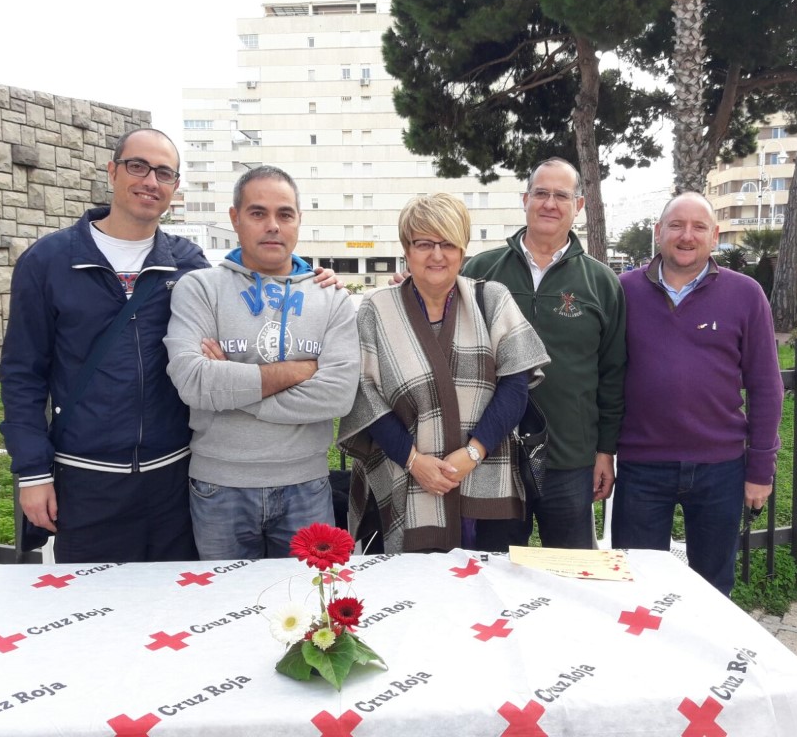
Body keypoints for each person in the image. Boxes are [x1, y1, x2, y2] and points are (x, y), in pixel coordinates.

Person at [0, 128, 206, 563]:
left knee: (174, 615)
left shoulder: (189, 263)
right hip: (85, 482)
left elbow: (252, 287)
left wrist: (310, 276)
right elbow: (23, 375)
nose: (150, 180)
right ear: (113, 172)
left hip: (175, 480)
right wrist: (33, 472)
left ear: (174, 187)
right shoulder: (48, 261)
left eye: (164, 173)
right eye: (138, 166)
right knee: (95, 615)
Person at [164, 165, 359, 560]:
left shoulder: (332, 298)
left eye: (284, 214)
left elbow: (338, 396)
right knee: (226, 611)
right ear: (235, 218)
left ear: (299, 221)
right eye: (258, 213)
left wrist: (229, 389)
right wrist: (301, 370)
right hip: (219, 487)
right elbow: (192, 382)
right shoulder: (200, 289)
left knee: (306, 608)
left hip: (306, 484)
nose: (273, 225)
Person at [338, 193, 549, 554]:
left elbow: (515, 386)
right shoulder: (376, 309)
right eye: (424, 244)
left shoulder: (492, 300)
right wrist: (414, 461)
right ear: (407, 249)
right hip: (405, 477)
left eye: (448, 244)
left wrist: (472, 453)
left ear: (463, 249)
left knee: (486, 595)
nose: (437, 255)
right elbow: (366, 395)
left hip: (486, 477)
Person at [611, 192, 783, 596]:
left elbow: (766, 386)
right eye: (676, 225)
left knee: (712, 589)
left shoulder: (746, 294)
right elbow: (605, 378)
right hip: (642, 467)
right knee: (636, 585)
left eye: (698, 227)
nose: (686, 236)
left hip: (720, 468)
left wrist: (760, 469)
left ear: (714, 236)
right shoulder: (622, 291)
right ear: (658, 233)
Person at [459, 158, 627, 550]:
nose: (550, 203)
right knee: (493, 571)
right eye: (541, 193)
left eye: (561, 195)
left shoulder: (601, 282)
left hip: (568, 457)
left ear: (579, 205)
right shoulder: (479, 272)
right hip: (493, 453)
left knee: (569, 575)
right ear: (526, 199)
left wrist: (605, 451)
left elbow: (613, 373)